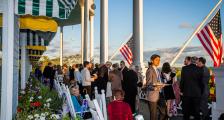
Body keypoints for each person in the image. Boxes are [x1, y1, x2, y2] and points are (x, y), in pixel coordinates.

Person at [145, 54, 166, 120]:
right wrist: (155, 88)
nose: (158, 61)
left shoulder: (158, 70)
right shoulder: (150, 70)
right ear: (152, 60)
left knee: (163, 112)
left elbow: (158, 81)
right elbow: (148, 85)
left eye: (159, 60)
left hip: (160, 94)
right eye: (156, 60)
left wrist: (162, 84)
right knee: (153, 115)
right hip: (153, 95)